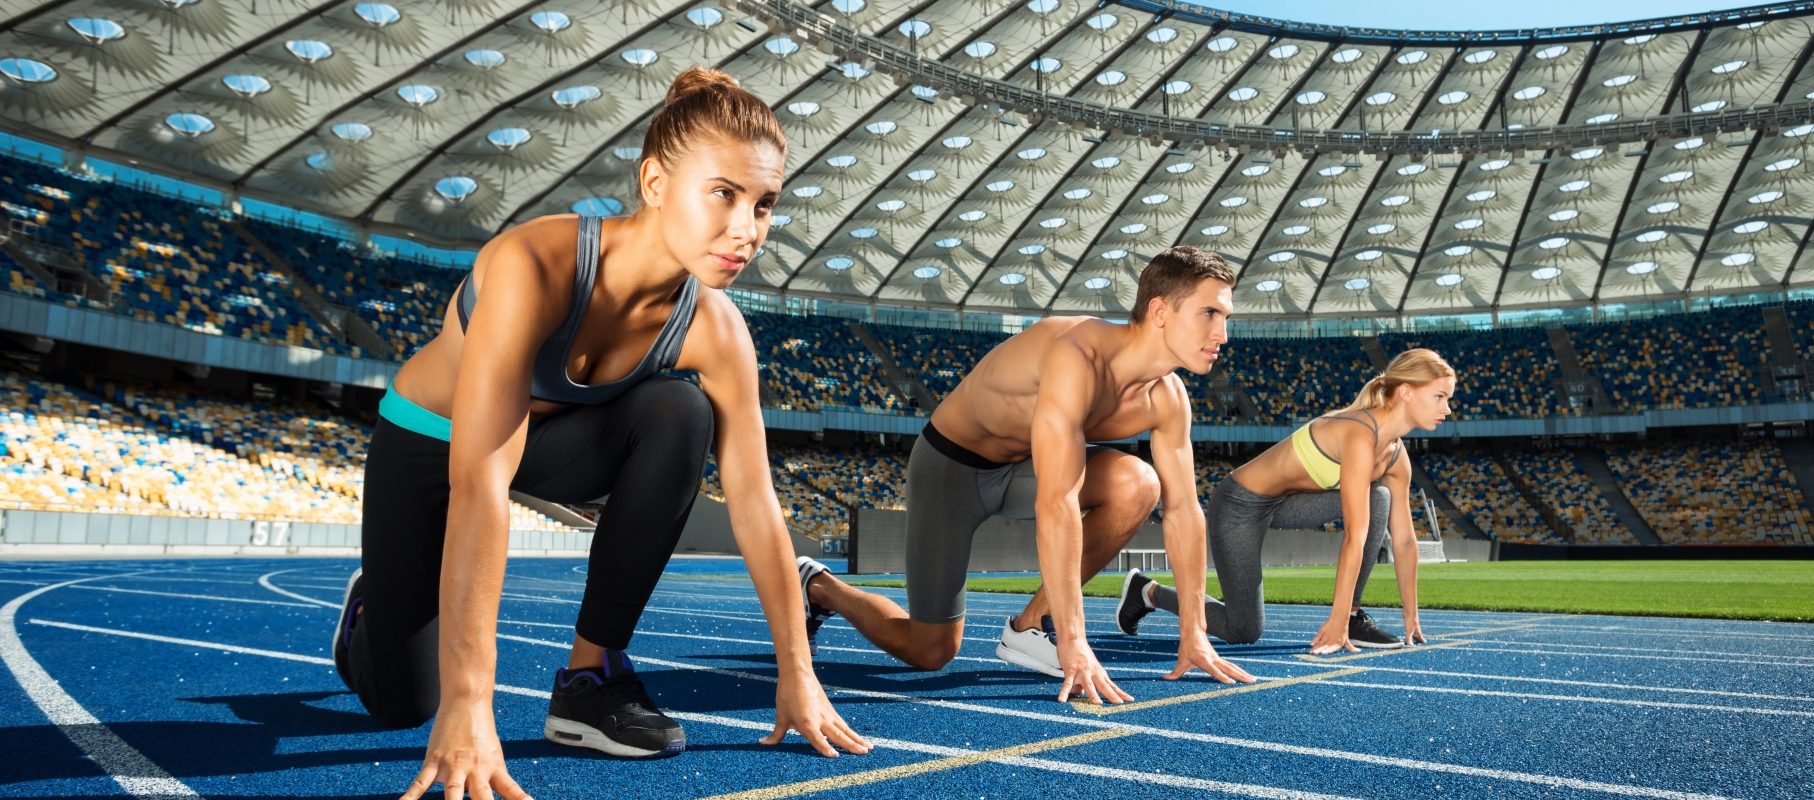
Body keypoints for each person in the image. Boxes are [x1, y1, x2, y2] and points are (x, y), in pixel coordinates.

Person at [330, 67, 869, 800]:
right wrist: (471, 701)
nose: (747, 230)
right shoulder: (535, 265)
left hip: (556, 447)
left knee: (680, 412)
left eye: (764, 205)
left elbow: (755, 502)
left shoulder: (716, 330)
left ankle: (590, 678)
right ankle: (376, 608)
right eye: (724, 194)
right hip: (432, 443)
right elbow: (480, 480)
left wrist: (798, 674)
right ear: (654, 183)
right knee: (406, 704)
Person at [797, 246, 1256, 705]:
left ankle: (1030, 626)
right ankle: (820, 587)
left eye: (1227, 317)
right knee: (930, 650)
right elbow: (1058, 503)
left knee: (1140, 483)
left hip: (1026, 470)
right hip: (952, 468)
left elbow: (1184, 511)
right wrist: (1075, 641)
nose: (1223, 334)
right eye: (1209, 313)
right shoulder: (1077, 354)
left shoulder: (1169, 398)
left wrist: (1193, 631)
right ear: (1159, 310)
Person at [1114, 348, 1455, 654]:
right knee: (1243, 629)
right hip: (1240, 505)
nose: (1447, 409)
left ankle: (1352, 616)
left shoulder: (1397, 458)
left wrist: (1411, 617)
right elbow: (1356, 536)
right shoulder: (1359, 434)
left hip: (1288, 504)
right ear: (1407, 392)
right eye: (1440, 397)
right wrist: (1331, 623)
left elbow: (1407, 542)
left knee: (1378, 495)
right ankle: (1148, 591)